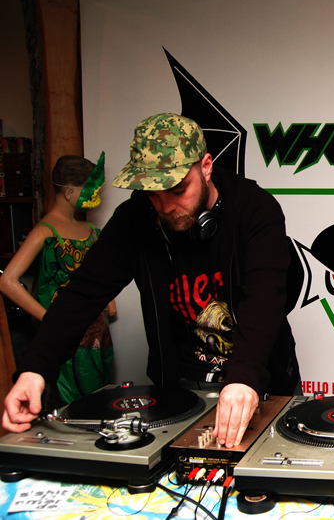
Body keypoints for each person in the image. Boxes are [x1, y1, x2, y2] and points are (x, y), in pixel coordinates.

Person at [2, 113, 301, 448]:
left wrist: (244, 377)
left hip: (261, 380)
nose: (166, 206)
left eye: (177, 190)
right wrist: (35, 368)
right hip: (181, 389)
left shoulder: (255, 209)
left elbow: (265, 297)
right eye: (152, 194)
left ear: (205, 167)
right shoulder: (134, 220)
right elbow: (82, 294)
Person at [0, 154, 114, 405]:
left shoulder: (90, 231)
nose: (96, 196)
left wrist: (110, 306)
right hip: (64, 336)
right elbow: (7, 281)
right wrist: (49, 319)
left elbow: (102, 275)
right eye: (91, 190)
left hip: (98, 332)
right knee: (74, 405)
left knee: (103, 399)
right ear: (70, 192)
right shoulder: (44, 232)